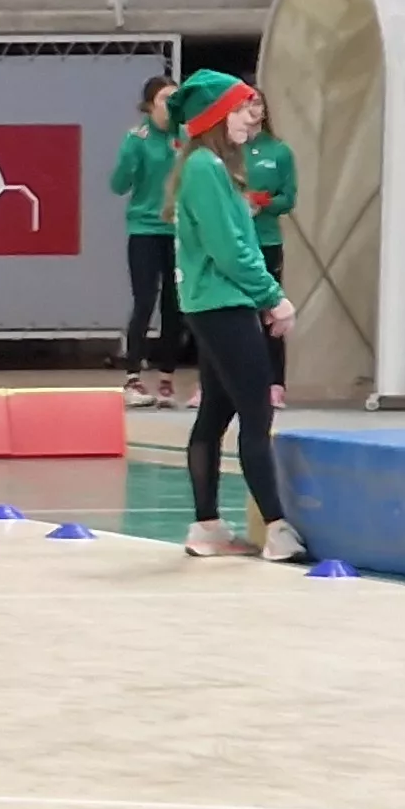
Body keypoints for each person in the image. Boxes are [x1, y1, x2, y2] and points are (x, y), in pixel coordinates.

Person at [163, 71, 305, 564]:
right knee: (255, 413)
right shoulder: (205, 168)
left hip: (214, 303)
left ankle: (207, 527)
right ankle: (277, 528)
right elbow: (230, 248)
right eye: (243, 109)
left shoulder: (208, 167)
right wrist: (272, 296)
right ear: (217, 117)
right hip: (223, 304)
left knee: (216, 412)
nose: (252, 118)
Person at [111, 74, 183, 411]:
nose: (171, 105)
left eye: (176, 98)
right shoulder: (137, 138)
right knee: (144, 302)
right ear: (150, 104)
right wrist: (130, 155)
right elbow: (118, 185)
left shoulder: (185, 136)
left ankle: (167, 378)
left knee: (175, 305)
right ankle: (132, 377)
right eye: (165, 98)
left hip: (178, 231)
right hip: (144, 229)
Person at [243, 95, 298, 407]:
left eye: (257, 104)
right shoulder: (226, 150)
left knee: (270, 312)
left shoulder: (279, 151)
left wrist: (263, 202)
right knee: (234, 313)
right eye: (245, 105)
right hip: (236, 241)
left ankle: (275, 383)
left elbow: (288, 198)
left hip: (266, 240)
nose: (252, 111)